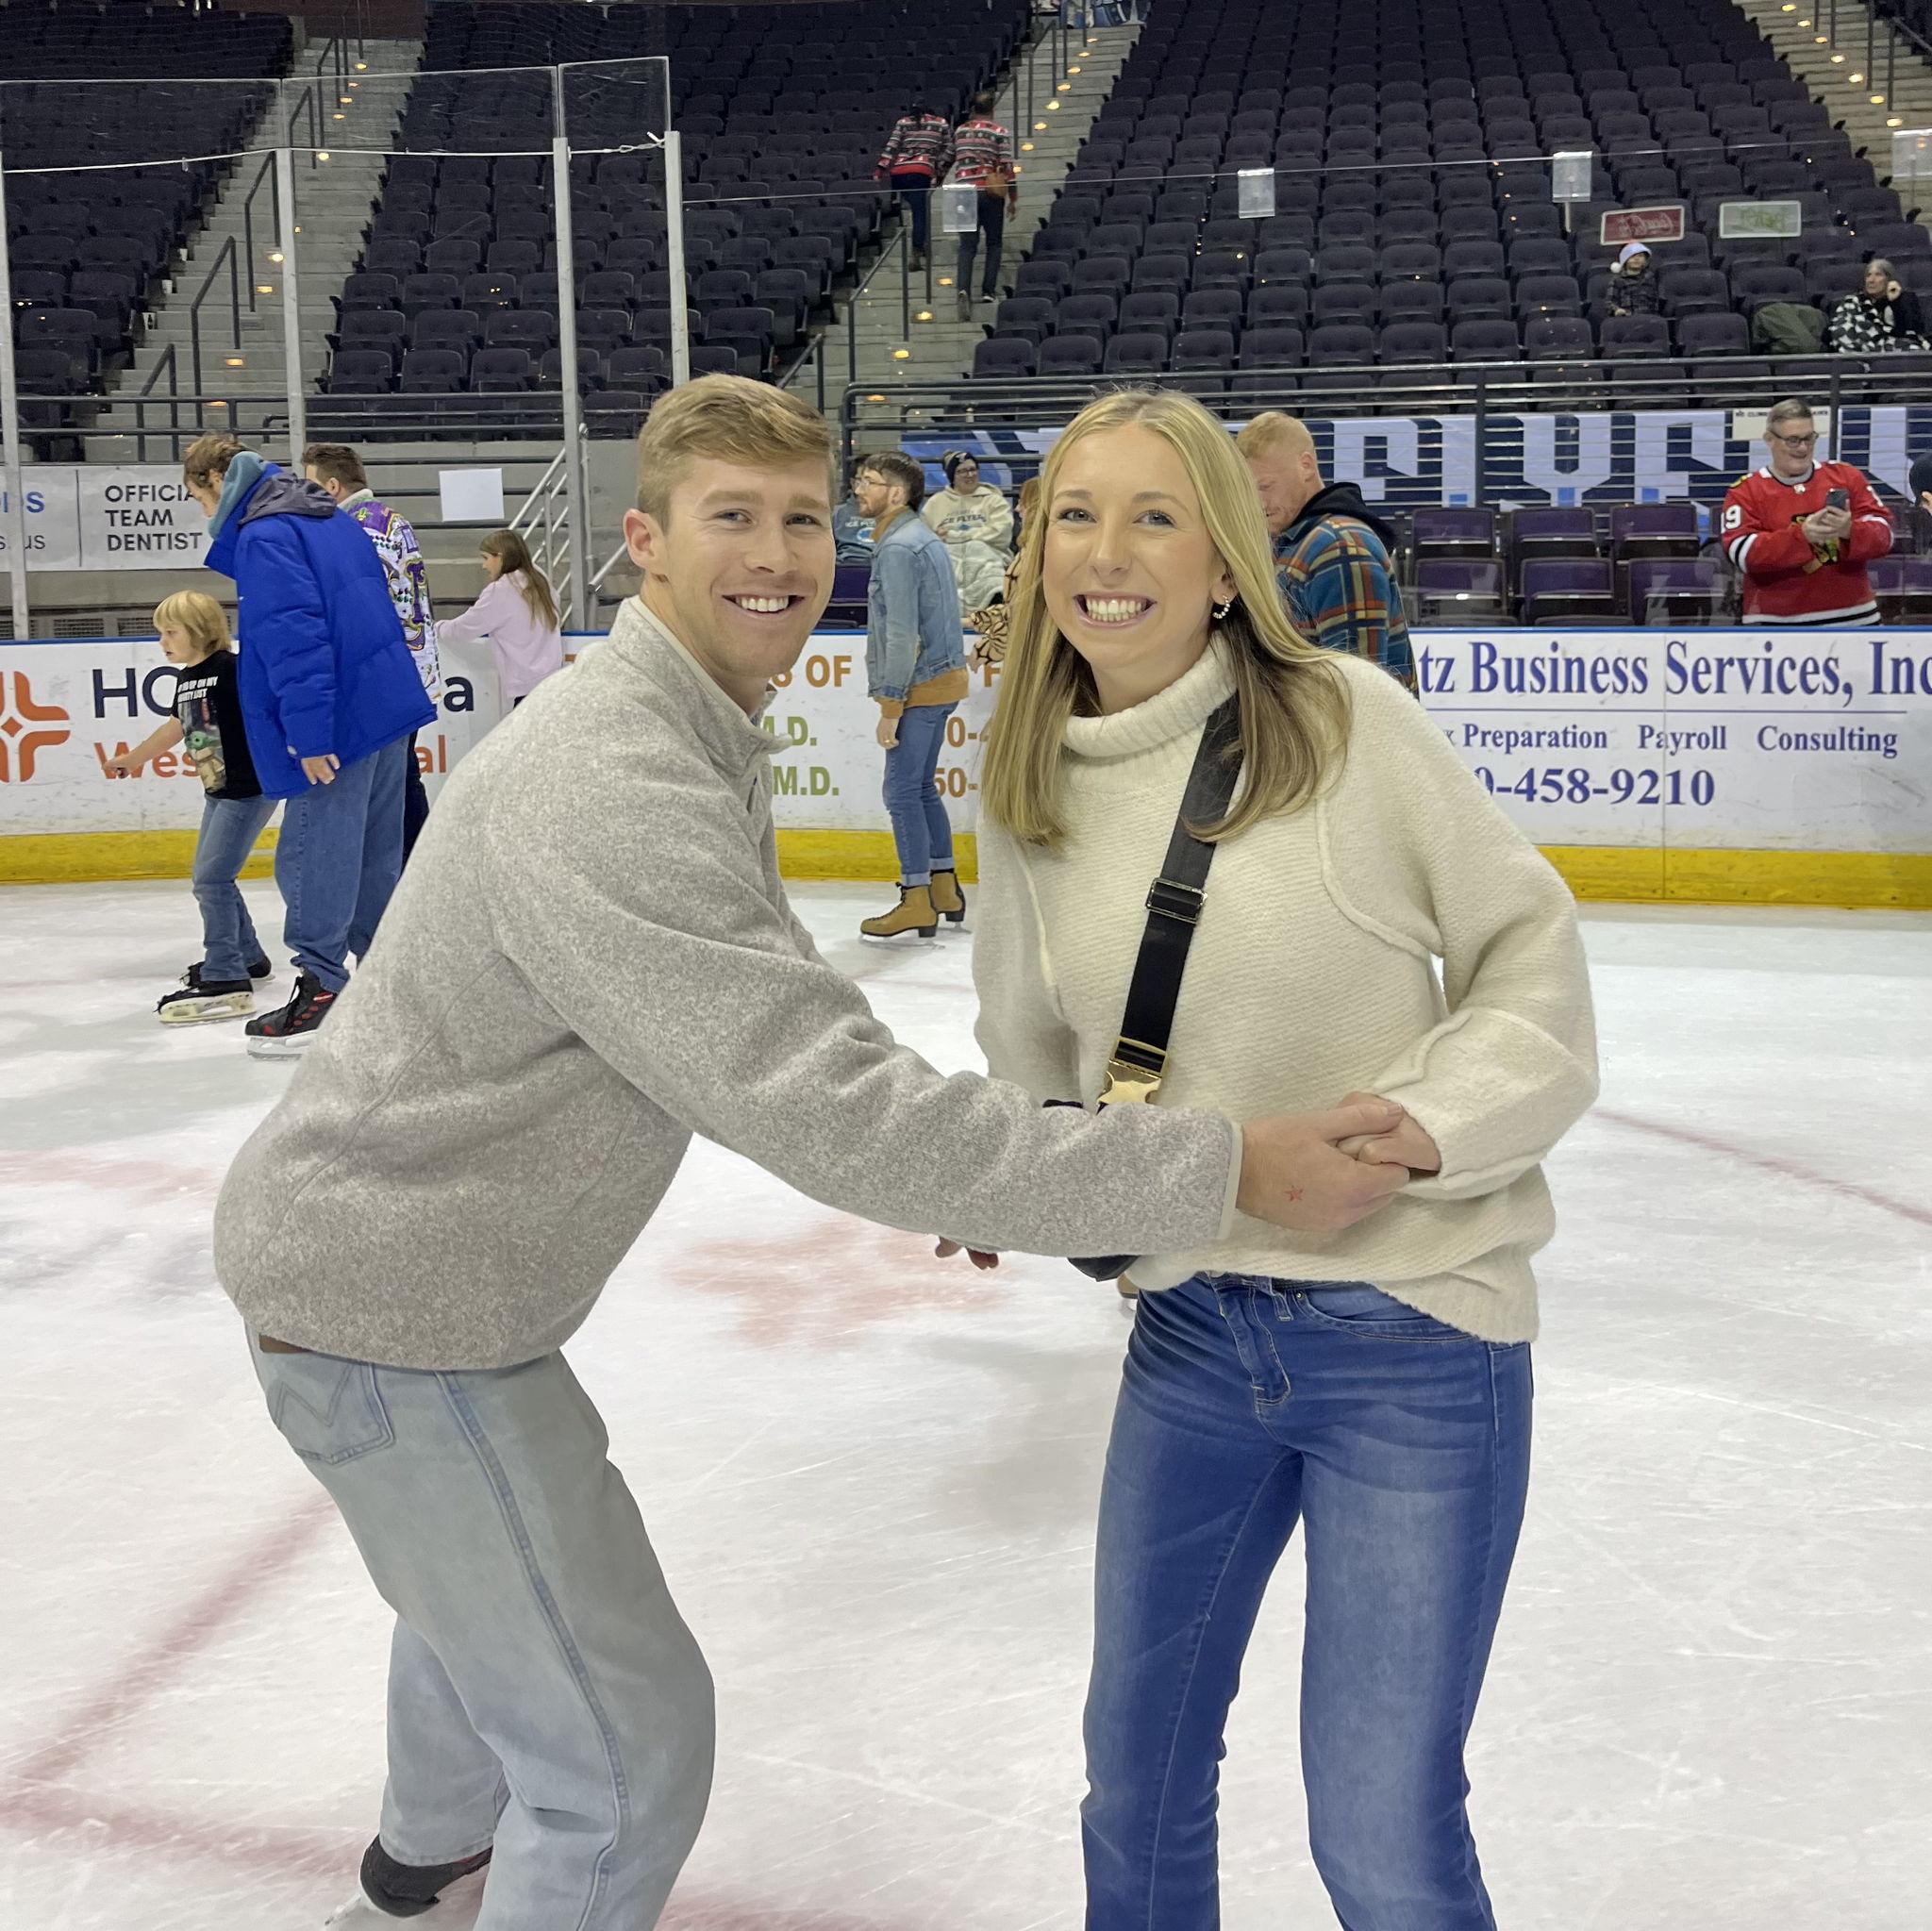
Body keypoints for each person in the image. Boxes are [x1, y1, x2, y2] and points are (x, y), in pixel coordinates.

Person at [211, 374, 1416, 1931]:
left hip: (423, 1292)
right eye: (729, 517)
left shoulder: (675, 720)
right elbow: (826, 1103)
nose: (774, 555)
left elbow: (806, 1059)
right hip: (394, 1313)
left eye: (796, 519)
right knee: (626, 1753)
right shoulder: (616, 772)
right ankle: (449, 1864)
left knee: (493, 1595)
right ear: (640, 540)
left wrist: (1013, 1153)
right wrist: (1219, 1165)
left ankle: (422, 1868)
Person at [968, 386, 1599, 1929]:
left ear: (1224, 559)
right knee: (1134, 1784)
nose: (1105, 553)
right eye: (1074, 512)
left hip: (1414, 1334)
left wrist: (1432, 1126)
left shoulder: (1343, 723)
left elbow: (1530, 962)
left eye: (1153, 515)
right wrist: (1010, 1169)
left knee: (1377, 1826)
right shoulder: (1027, 775)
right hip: (1186, 1332)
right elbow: (1029, 1050)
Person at [182, 434, 434, 1055]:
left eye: (196, 497)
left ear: (218, 480)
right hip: (384, 708)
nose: (201, 511)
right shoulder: (326, 514)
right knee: (375, 858)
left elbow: (295, 639)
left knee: (309, 858)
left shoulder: (269, 534)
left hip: (338, 725)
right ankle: (388, 990)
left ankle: (323, 989)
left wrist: (311, 733)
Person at [107, 591, 276, 1024]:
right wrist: (134, 758)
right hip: (217, 789)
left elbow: (267, 715)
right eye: (160, 632)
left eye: (170, 631)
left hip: (247, 789)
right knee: (212, 877)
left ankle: (225, 971)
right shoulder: (188, 677)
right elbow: (177, 726)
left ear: (200, 630)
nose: (162, 640)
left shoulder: (230, 669)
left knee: (211, 880)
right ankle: (247, 957)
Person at [302, 443, 441, 860]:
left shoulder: (357, 529)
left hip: (387, 673)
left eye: (311, 484)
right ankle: (415, 864)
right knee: (401, 774)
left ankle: (409, 866)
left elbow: (364, 605)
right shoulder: (391, 519)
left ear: (332, 485)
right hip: (412, 668)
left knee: (392, 780)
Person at [854, 451, 970, 941]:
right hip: (941, 681)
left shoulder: (901, 548)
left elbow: (902, 634)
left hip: (919, 687)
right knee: (921, 788)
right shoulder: (919, 538)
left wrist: (890, 705)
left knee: (899, 792)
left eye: (869, 481)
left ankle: (916, 899)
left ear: (896, 495)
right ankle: (943, 889)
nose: (858, 487)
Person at [1236, 410, 1416, 686]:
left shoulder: (1339, 546)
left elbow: (1357, 690)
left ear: (1306, 465)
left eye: (1265, 486)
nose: (1258, 502)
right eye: (1248, 490)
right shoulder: (1296, 542)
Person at [1721, 397, 1893, 624]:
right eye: (1793, 440)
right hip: (1775, 626)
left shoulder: (1846, 476)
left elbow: (1886, 536)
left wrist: (1850, 530)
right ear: (1769, 439)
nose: (1803, 448)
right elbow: (1743, 555)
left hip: (1856, 618)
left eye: (1809, 438)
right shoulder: (1745, 492)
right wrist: (1802, 536)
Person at [434, 528, 568, 712]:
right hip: (554, 684)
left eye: (486, 558)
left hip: (528, 691)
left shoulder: (502, 590)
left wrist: (435, 628)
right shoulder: (540, 579)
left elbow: (464, 629)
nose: (484, 566)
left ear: (500, 557)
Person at [947, 90, 1018, 319]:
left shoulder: (960, 131)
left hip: (960, 190)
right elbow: (1007, 167)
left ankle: (962, 289)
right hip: (988, 190)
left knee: (966, 246)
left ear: (973, 109)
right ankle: (988, 291)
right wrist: (1013, 198)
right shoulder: (999, 132)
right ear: (992, 109)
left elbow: (949, 157)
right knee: (994, 243)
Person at [923, 450, 1014, 608]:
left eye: (972, 469)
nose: (969, 475)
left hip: (988, 558)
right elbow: (924, 539)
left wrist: (954, 536)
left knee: (977, 549)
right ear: (952, 476)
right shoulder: (935, 503)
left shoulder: (993, 500)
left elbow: (1001, 534)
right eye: (962, 471)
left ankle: (991, 611)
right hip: (950, 560)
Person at [875, 98, 952, 269]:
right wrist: (939, 172)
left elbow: (891, 146)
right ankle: (917, 250)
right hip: (921, 170)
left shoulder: (903, 122)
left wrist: (880, 169)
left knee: (915, 204)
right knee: (920, 212)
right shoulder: (941, 123)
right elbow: (948, 150)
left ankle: (920, 244)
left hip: (899, 172)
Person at [1826, 257, 1928, 353]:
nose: (1871, 280)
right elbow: (1838, 329)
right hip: (1858, 349)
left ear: (1889, 278)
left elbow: (1909, 331)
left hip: (1895, 347)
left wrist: (1894, 302)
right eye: (1868, 275)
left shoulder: (1906, 298)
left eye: (1878, 275)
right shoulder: (1854, 301)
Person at [1605, 241, 1660, 317]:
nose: (1636, 259)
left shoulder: (1651, 278)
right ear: (1625, 259)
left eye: (1640, 256)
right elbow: (1610, 303)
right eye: (1632, 256)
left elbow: (1657, 302)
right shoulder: (1617, 280)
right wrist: (1617, 310)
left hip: (1649, 318)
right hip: (1626, 319)